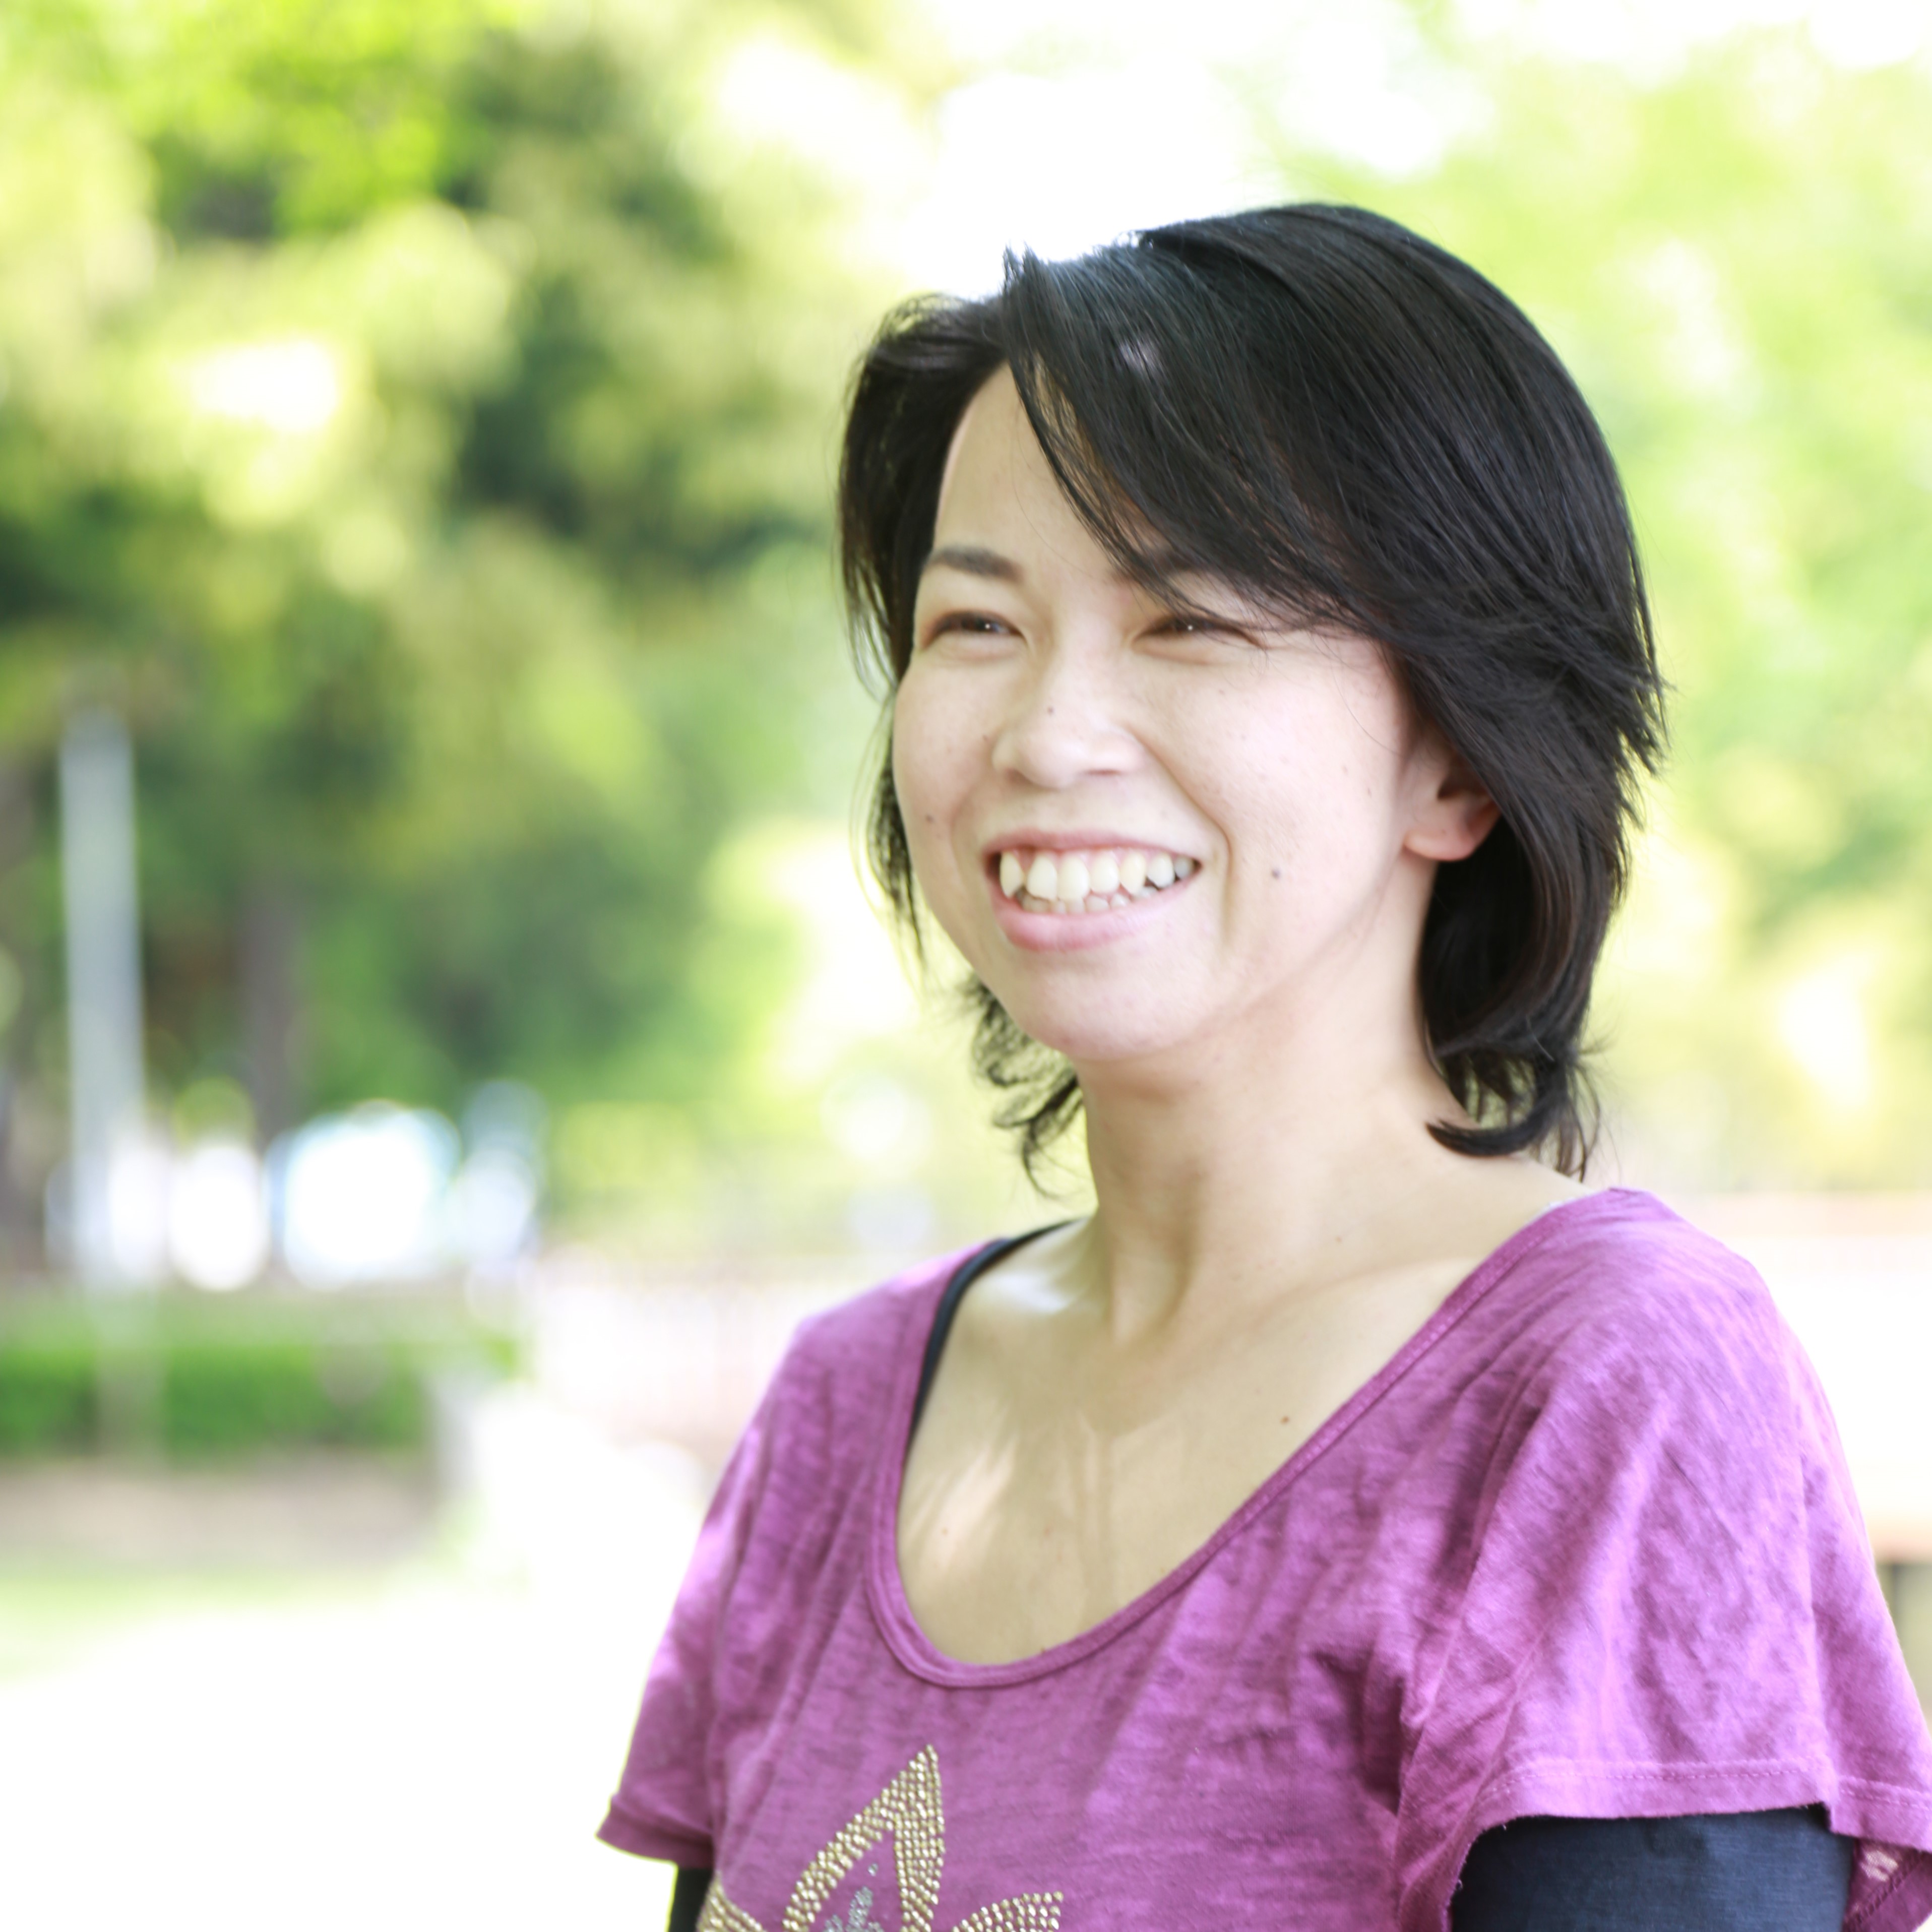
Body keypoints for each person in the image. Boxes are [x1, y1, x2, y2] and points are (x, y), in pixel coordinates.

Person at [596, 205, 1932, 1931]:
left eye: (1186, 620)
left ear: (1456, 762)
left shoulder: (1606, 1386)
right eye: (975, 623)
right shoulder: (841, 1407)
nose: (1045, 734)